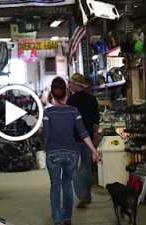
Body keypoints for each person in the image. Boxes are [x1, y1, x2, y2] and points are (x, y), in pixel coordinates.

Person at [42, 77, 99, 225]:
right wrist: (94, 150)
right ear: (65, 94)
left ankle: (57, 218)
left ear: (52, 94)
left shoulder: (48, 113)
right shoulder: (74, 111)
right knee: (67, 184)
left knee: (55, 186)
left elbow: (46, 135)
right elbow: (84, 133)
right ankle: (67, 217)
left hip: (53, 153)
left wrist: (38, 127)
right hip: (71, 153)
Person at [67, 73, 100, 208]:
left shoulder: (71, 101)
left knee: (73, 169)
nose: (69, 86)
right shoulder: (92, 99)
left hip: (74, 138)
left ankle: (81, 195)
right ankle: (87, 195)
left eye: (71, 83)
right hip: (88, 139)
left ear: (76, 85)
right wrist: (95, 136)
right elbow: (96, 122)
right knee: (86, 168)